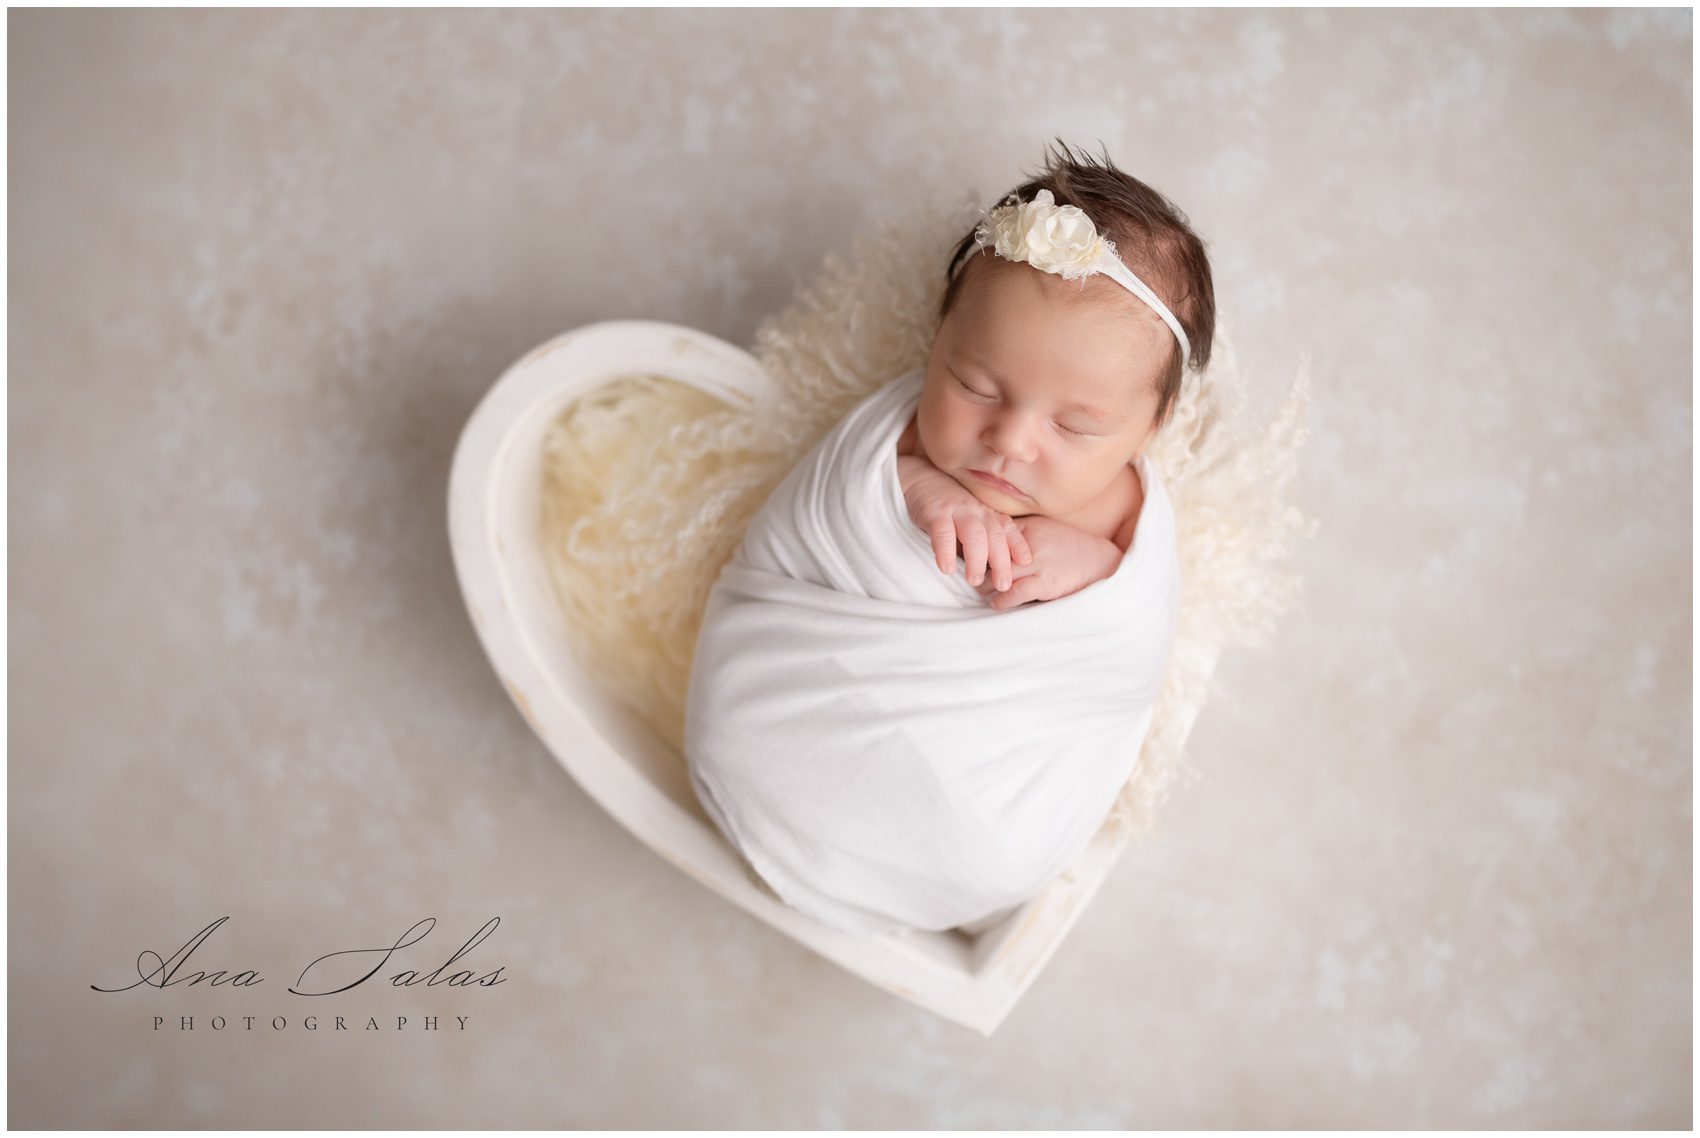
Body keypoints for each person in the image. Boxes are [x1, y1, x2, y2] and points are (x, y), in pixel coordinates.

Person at [895, 139, 1215, 612]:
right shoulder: (912, 443)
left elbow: (1146, 597)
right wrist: (921, 487)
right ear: (939, 338)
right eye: (974, 386)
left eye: (1073, 426)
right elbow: (847, 482)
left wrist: (1097, 565)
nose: (1010, 442)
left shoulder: (1122, 505)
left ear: (1151, 426)